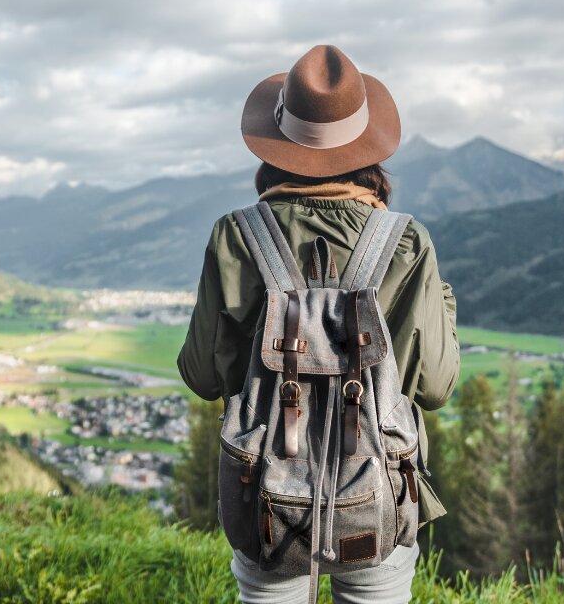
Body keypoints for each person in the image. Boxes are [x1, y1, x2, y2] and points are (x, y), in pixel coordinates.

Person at [177, 44, 460, 604]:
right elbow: (436, 385)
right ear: (368, 148)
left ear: (276, 145)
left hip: (267, 497)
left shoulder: (236, 237)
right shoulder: (405, 242)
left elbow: (203, 376)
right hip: (379, 489)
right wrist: (441, 303)